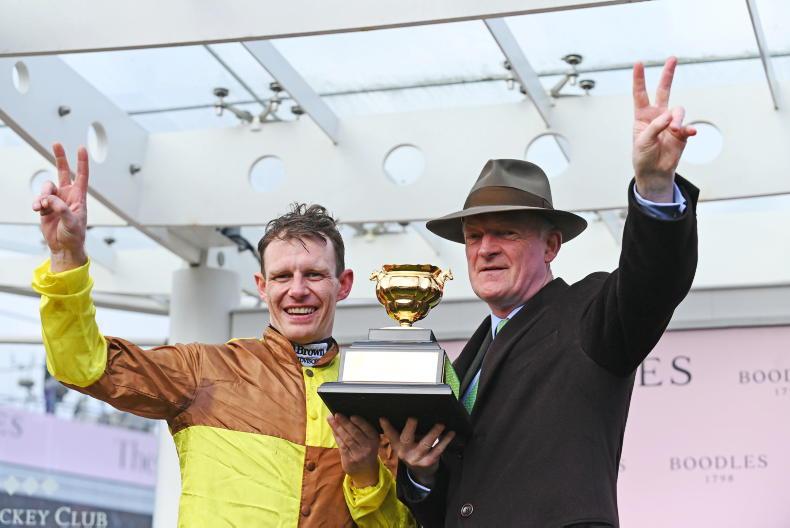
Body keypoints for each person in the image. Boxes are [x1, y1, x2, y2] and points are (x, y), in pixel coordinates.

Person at [381, 57, 699, 527]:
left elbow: (653, 280)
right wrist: (421, 473)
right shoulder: (463, 364)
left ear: (551, 246)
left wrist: (654, 185)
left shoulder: (587, 314)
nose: (485, 249)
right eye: (473, 237)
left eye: (506, 233)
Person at [30, 145, 415, 527]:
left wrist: (367, 476)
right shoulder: (202, 369)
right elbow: (83, 365)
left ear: (343, 284)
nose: (297, 290)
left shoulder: (375, 395)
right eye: (282, 276)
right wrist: (66, 257)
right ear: (262, 286)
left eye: (313, 275)